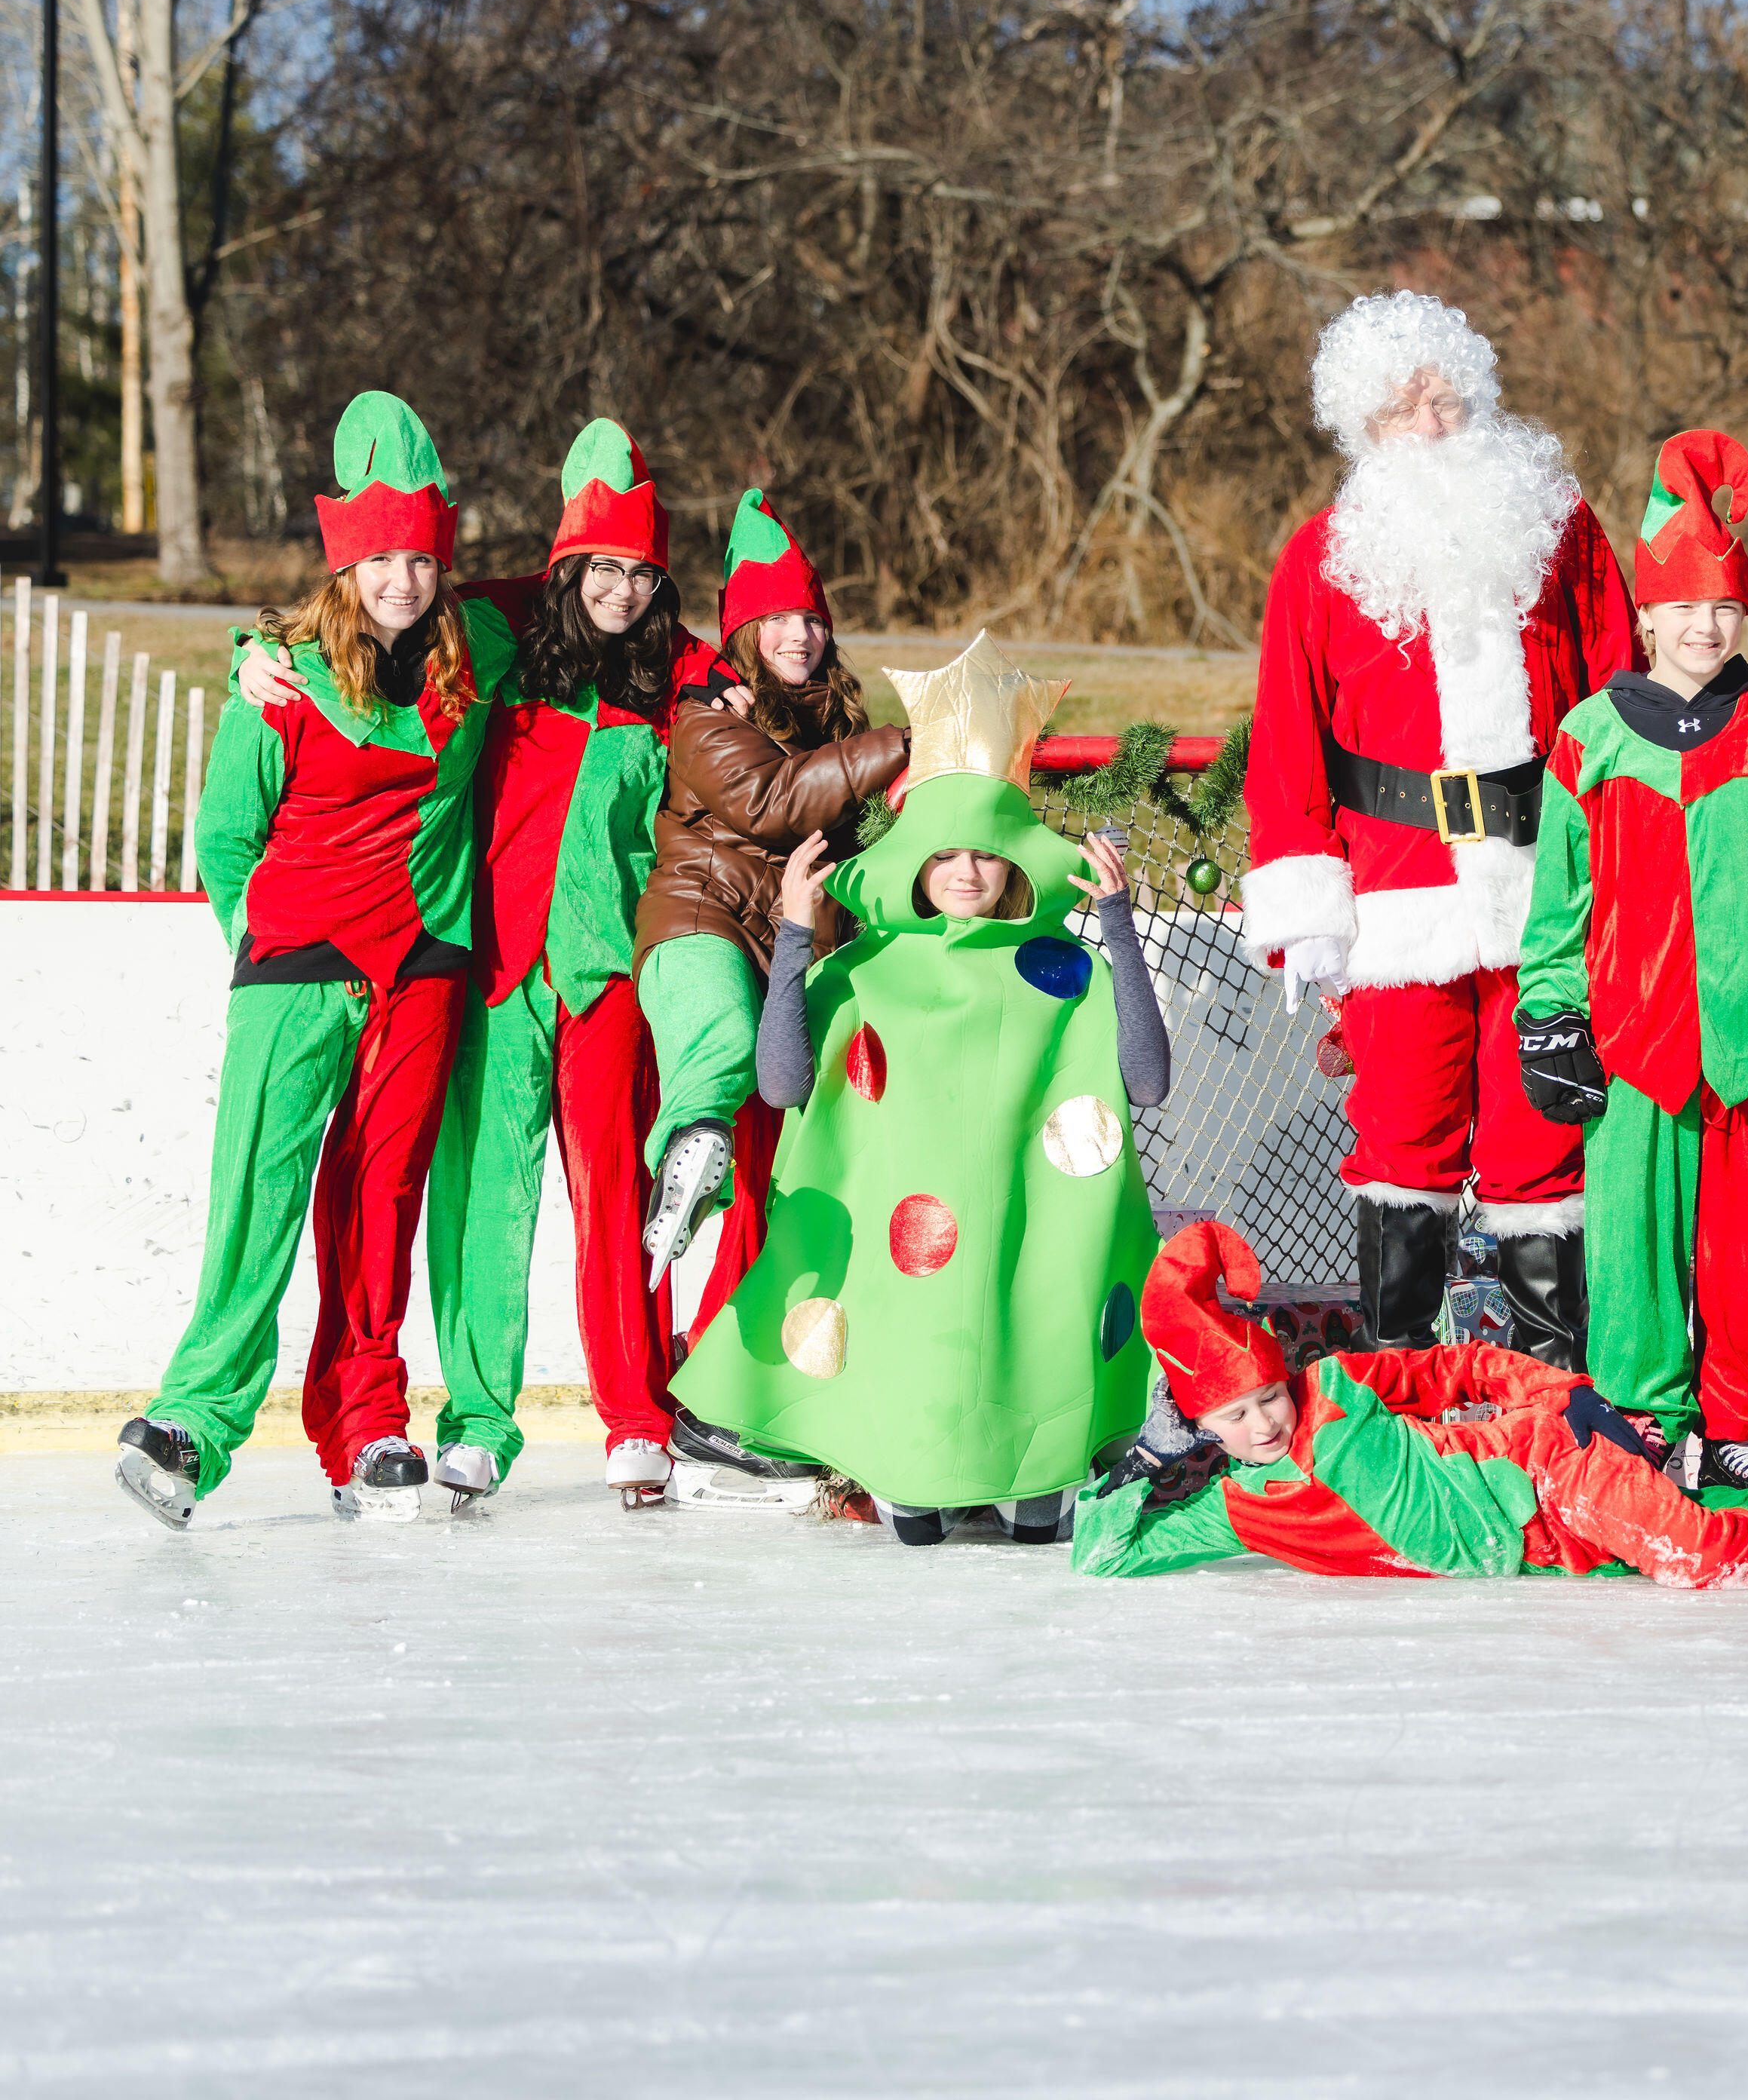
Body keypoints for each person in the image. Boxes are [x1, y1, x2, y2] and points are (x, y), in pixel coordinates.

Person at [241, 418, 704, 1510]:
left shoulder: (679, 670)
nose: (622, 591)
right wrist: (244, 650)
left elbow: (762, 677)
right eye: (603, 568)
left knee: (613, 1192)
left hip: (603, 974)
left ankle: (637, 1415)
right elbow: (359, 608)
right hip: (494, 963)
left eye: (641, 573)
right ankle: (481, 1420)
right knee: (484, 1200)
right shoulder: (497, 631)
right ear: (567, 565)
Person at [115, 392, 517, 1528]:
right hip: (298, 961)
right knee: (261, 1194)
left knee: (379, 1197)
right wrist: (261, 935)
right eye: (382, 557)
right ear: (346, 562)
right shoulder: (281, 673)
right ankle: (197, 1418)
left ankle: (367, 1423)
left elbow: (587, 602)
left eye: (423, 556)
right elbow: (226, 835)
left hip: (426, 960)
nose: (404, 578)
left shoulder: (473, 647)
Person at [667, 634, 1167, 1542]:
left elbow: (1147, 1080)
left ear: (1017, 863)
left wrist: (1120, 929)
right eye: (944, 854)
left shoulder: (1066, 972)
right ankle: (916, 1463)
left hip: (1029, 1271)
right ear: (914, 865)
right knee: (920, 1516)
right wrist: (793, 937)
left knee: (1028, 1338)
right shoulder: (864, 972)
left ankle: (1029, 1460)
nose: (966, 871)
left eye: (985, 852)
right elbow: (782, 1086)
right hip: (905, 1286)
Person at [1240, 290, 1639, 1366]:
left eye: (1449, 401)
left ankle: (1556, 1399)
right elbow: (1286, 739)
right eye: (1406, 408)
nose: (1434, 426)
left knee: (1545, 1137)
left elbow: (1616, 706)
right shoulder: (1320, 559)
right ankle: (1396, 1382)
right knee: (1404, 1137)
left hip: (1543, 886)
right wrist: (1307, 899)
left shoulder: (1562, 532)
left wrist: (1620, 873)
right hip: (1396, 891)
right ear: (1365, 427)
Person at [1514, 430, 1748, 1488]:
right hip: (1631, 1044)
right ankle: (1644, 1418)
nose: (1704, 626)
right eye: (1682, 608)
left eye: (1723, 608)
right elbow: (1560, 904)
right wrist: (1553, 1014)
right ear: (1647, 616)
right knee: (1630, 1250)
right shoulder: (1593, 735)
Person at [1071, 1222, 1748, 1587]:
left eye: (1268, 1397)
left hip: (1545, 1466)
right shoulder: (1242, 1512)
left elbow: (1464, 1365)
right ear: (1198, 1427)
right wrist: (1144, 1460)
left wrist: (1567, 1392)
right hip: (1548, 1547)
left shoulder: (1338, 1387)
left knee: (1699, 1553)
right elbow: (1103, 1556)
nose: (1265, 1423)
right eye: (1233, 1416)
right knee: (1708, 1512)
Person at [632, 489, 908, 1295]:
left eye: (813, 620)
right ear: (745, 632)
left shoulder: (837, 731)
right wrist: (900, 746)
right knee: (717, 1029)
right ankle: (689, 1151)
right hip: (703, 916)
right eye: (779, 619)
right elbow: (774, 802)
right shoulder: (706, 721)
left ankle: (734, 1357)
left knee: (784, 1179)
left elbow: (849, 843)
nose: (800, 635)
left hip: (793, 949)